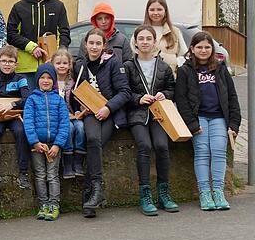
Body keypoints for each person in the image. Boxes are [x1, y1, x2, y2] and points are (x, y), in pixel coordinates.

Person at [176, 31, 241, 211]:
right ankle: (205, 192)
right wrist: (192, 124)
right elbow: (181, 100)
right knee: (202, 152)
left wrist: (234, 124)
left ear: (212, 49)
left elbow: (232, 97)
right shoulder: (185, 70)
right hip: (199, 119)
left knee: (219, 149)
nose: (203, 50)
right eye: (199, 47)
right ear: (192, 49)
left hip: (219, 118)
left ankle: (218, 191)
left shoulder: (220, 69)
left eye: (207, 47)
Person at [72, 28, 131, 218]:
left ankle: (89, 197)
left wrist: (108, 108)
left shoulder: (113, 63)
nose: (94, 47)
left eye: (98, 43)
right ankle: (96, 190)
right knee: (92, 140)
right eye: (91, 43)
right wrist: (81, 106)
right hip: (89, 113)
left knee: (95, 144)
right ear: (86, 45)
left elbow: (125, 92)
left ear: (104, 46)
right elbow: (75, 92)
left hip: (109, 113)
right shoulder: (79, 65)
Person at [123, 26, 179, 216]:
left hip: (159, 114)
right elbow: (124, 91)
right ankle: (145, 194)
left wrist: (165, 94)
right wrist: (138, 98)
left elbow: (172, 88)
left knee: (162, 145)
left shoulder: (163, 66)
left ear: (155, 42)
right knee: (144, 145)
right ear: (135, 42)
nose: (145, 42)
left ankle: (164, 193)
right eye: (141, 38)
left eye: (149, 38)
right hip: (137, 115)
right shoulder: (129, 66)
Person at [7, 0, 71, 83]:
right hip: (25, 70)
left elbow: (64, 33)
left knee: (50, 101)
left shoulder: (58, 6)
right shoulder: (18, 7)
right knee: (28, 101)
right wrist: (32, 47)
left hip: (51, 67)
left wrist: (58, 56)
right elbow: (11, 35)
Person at [23, 63, 69, 221]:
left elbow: (64, 124)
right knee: (40, 175)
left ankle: (54, 205)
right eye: (42, 77)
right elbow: (28, 123)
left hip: (54, 146)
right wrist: (35, 142)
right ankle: (43, 205)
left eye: (49, 78)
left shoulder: (59, 100)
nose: (46, 80)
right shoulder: (31, 100)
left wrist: (57, 144)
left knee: (52, 175)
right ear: (37, 80)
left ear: (54, 81)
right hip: (37, 146)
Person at [0, 46, 31, 190]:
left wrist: (12, 105)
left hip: (15, 115)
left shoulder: (21, 79)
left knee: (21, 132)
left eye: (11, 61)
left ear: (16, 64)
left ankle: (23, 173)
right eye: (4, 61)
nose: (7, 64)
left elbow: (27, 98)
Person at [52, 49, 85, 179]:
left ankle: (78, 162)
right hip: (58, 118)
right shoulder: (50, 81)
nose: (61, 66)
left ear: (70, 65)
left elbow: (76, 100)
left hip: (72, 114)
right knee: (69, 128)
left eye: (65, 63)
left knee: (81, 127)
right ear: (53, 64)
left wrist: (77, 110)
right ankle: (67, 162)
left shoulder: (73, 82)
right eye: (58, 63)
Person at [136, 0, 188, 74]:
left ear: (165, 11)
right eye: (152, 10)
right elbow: (134, 54)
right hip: (145, 78)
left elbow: (184, 56)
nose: (156, 13)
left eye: (159, 9)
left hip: (170, 80)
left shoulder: (175, 32)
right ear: (147, 11)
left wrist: (173, 61)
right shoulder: (139, 31)